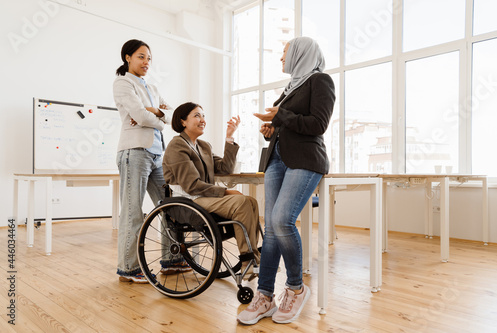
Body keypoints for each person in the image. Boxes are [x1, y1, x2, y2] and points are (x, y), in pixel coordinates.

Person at [237, 36, 335, 324]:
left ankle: (295, 287)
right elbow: (290, 122)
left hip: (306, 159)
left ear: (301, 53)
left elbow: (318, 125)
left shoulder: (321, 81)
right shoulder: (291, 87)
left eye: (285, 52)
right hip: (277, 159)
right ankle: (265, 295)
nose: (281, 58)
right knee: (272, 229)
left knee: (281, 221)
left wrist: (282, 115)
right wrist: (272, 128)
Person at [113, 39, 190, 283]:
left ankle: (172, 259)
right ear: (127, 57)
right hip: (134, 152)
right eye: (140, 57)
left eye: (149, 58)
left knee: (171, 206)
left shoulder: (152, 88)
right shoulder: (123, 83)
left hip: (158, 154)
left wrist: (154, 113)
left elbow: (174, 115)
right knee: (133, 211)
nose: (146, 62)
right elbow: (139, 116)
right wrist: (154, 115)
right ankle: (128, 268)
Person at [163, 102, 261, 277]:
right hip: (188, 200)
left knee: (251, 201)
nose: (202, 120)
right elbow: (191, 185)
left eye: (203, 116)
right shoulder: (177, 146)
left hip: (203, 197)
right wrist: (226, 191)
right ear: (182, 121)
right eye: (197, 115)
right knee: (240, 202)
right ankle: (248, 260)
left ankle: (253, 258)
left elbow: (224, 169)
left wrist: (229, 137)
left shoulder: (203, 146)